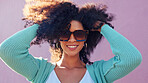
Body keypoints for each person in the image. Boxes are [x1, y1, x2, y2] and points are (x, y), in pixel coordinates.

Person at [0, 0, 142, 83]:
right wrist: (45, 24)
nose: (72, 39)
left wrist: (101, 26)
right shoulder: (39, 72)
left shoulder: (100, 73)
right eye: (65, 33)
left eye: (79, 34)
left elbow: (132, 58)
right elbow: (7, 51)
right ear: (56, 36)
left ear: (86, 37)